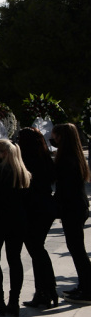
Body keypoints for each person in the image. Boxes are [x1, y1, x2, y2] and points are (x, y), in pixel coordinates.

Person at [0, 139, 30, 317]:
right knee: (15, 259)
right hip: (17, 220)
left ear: (1, 153)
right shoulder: (22, 172)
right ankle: (14, 301)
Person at [17, 127, 58, 308]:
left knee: (36, 250)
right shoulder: (45, 157)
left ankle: (45, 291)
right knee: (38, 250)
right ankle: (47, 290)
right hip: (46, 206)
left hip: (33, 209)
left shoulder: (26, 160)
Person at [51, 123, 91, 303]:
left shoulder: (67, 159)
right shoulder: (74, 155)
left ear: (62, 137)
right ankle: (84, 285)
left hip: (72, 208)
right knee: (77, 249)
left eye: (55, 136)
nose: (53, 139)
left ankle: (88, 289)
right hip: (77, 206)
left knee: (77, 250)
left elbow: (64, 188)